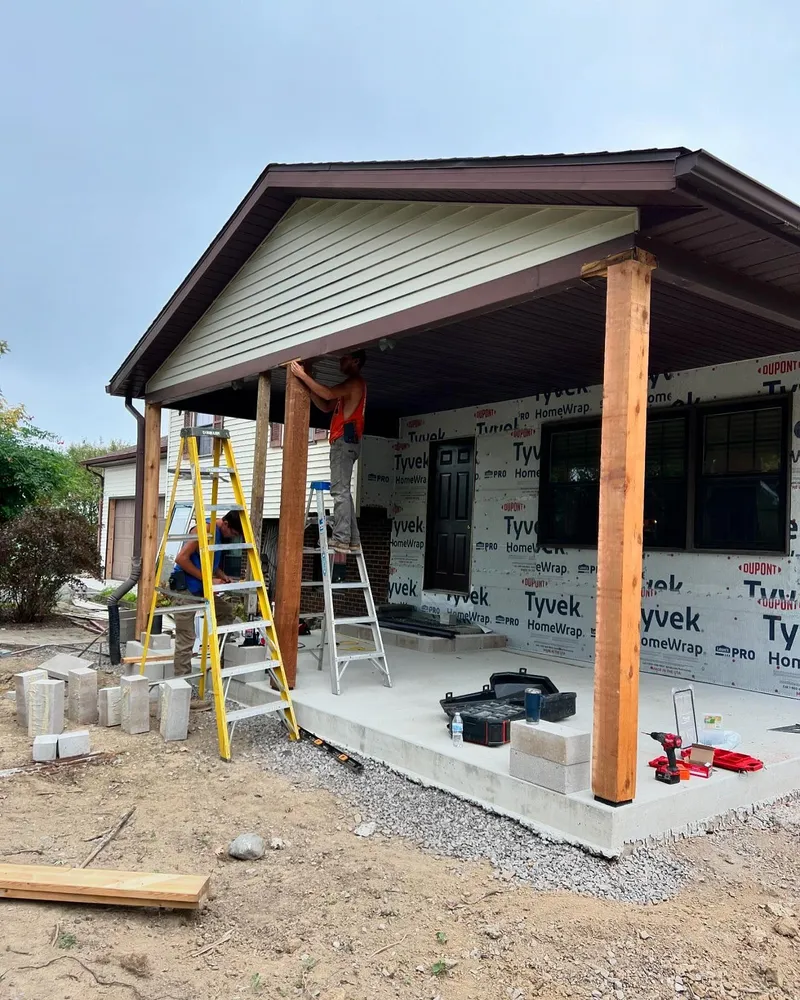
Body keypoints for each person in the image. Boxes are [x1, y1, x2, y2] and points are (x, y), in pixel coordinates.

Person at [290, 353, 366, 562]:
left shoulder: (354, 383)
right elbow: (325, 405)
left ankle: (341, 538)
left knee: (339, 492)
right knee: (344, 492)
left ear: (356, 361)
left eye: (345, 358)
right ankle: (352, 539)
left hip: (344, 441)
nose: (340, 361)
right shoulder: (350, 388)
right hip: (349, 441)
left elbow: (329, 393)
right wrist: (307, 384)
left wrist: (303, 376)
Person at [171, 509, 243, 685]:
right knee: (186, 638)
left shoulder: (218, 536)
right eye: (233, 533)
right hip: (185, 589)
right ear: (225, 523)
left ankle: (218, 663)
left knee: (225, 611)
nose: (232, 537)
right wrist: (209, 579)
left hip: (201, 589)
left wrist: (221, 574)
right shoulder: (202, 531)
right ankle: (182, 687)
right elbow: (181, 559)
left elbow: (208, 561)